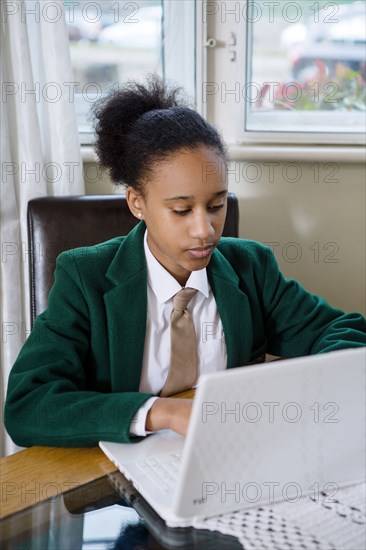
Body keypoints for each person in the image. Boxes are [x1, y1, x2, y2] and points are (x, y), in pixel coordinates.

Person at [4, 76, 366, 448]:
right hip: (118, 478)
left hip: (228, 456)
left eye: (216, 205)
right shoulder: (85, 278)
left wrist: (299, 392)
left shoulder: (251, 266)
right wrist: (163, 412)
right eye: (181, 210)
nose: (205, 230)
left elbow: (349, 333)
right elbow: (28, 405)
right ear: (136, 203)